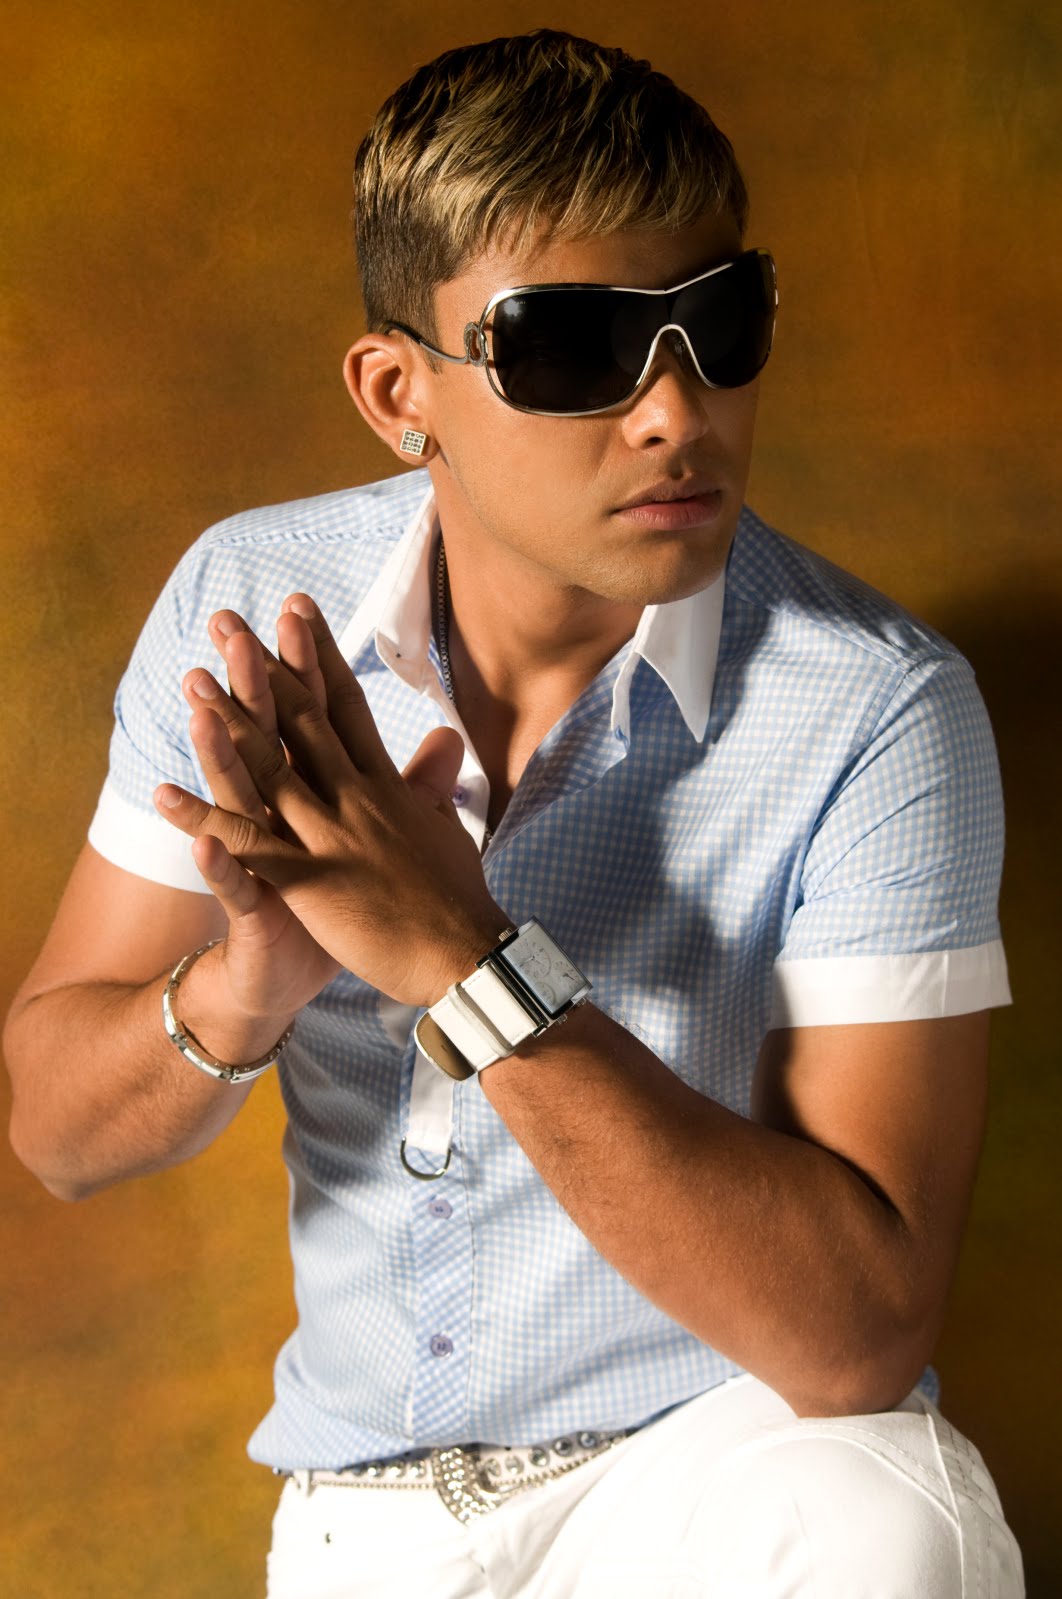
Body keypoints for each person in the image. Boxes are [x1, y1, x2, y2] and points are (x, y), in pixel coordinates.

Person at [4, 27, 1025, 1598]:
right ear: (397, 391)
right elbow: (55, 1135)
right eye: (572, 350)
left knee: (885, 1520)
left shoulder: (873, 706)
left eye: (717, 323)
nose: (674, 412)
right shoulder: (248, 607)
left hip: (715, 1466)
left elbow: (856, 1339)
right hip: (361, 1510)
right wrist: (244, 986)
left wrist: (465, 960)